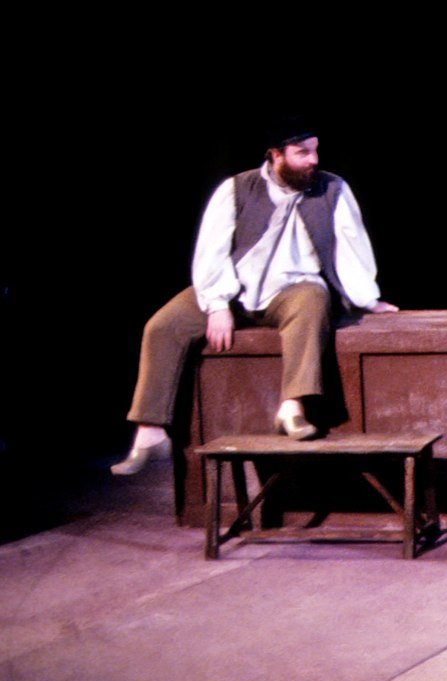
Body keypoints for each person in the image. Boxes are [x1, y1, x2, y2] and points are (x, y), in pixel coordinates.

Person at [116, 123, 398, 474]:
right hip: (234, 287)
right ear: (276, 155)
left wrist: (367, 299)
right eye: (303, 153)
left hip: (291, 289)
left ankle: (292, 408)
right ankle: (150, 432)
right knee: (163, 326)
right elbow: (211, 250)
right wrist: (218, 303)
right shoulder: (236, 189)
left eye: (315, 150)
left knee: (313, 301)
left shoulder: (332, 189)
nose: (314, 160)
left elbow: (351, 245)